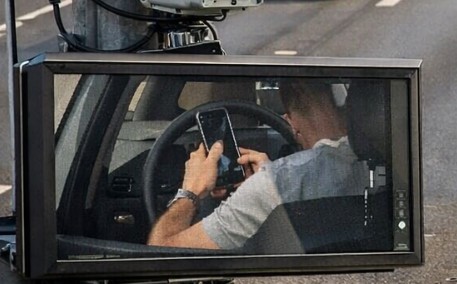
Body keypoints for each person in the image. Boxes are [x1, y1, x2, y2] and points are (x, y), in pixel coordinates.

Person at [148, 81, 370, 250]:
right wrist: (276, 174)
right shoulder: (386, 165)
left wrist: (192, 190)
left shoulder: (270, 184)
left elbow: (160, 252)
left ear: (290, 122)